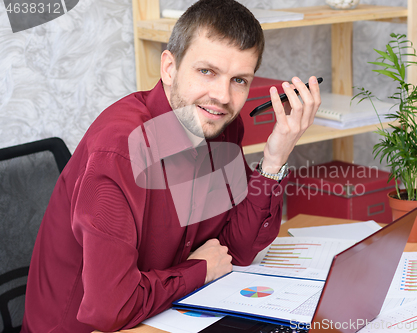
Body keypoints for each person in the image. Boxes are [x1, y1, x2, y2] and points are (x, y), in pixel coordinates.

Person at [21, 0, 321, 332]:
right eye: (206, 71)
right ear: (169, 67)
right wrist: (198, 270)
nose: (222, 96)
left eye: (239, 80)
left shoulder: (221, 127)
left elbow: (233, 249)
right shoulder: (121, 151)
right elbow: (111, 307)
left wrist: (274, 158)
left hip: (164, 316)